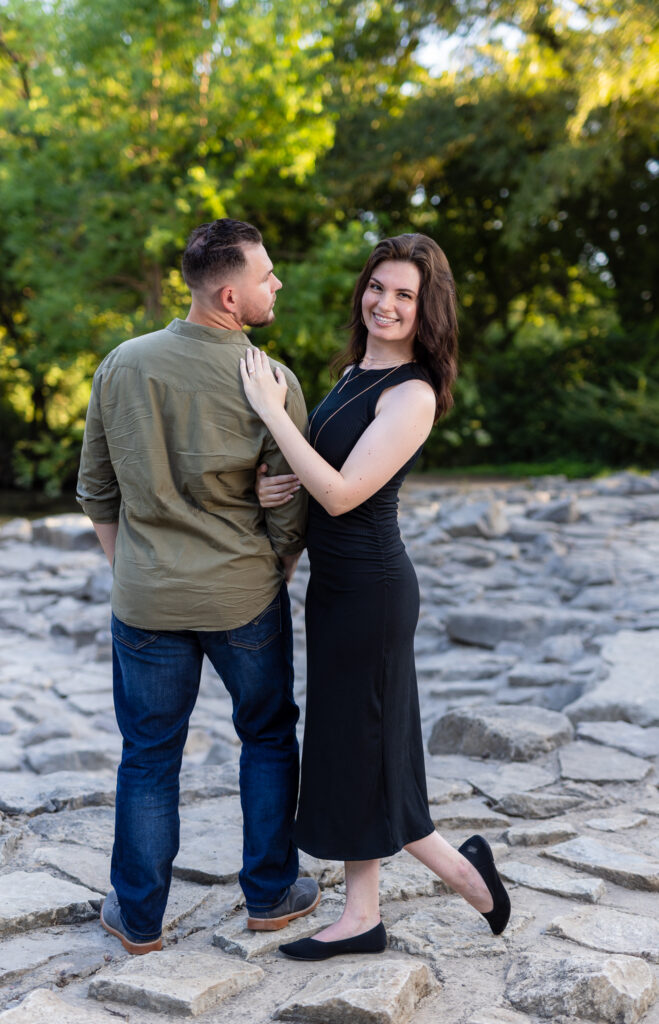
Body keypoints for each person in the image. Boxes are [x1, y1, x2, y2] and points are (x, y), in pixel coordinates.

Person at [240, 232, 511, 960]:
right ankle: (365, 912)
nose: (384, 303)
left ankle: (466, 880)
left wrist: (271, 413)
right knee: (348, 746)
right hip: (335, 590)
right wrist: (279, 482)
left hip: (373, 592)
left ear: (427, 312)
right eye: (378, 287)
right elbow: (320, 473)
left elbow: (343, 493)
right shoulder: (354, 374)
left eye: (404, 295)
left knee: (369, 747)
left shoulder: (411, 392)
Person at [76, 218, 321, 955]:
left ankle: (140, 920)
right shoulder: (271, 382)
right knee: (268, 739)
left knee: (149, 755)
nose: (276, 284)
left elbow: (95, 491)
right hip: (243, 594)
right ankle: (271, 894)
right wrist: (271, 572)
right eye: (265, 276)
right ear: (227, 293)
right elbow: (294, 504)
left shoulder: (121, 364)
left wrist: (133, 572)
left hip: (147, 599)